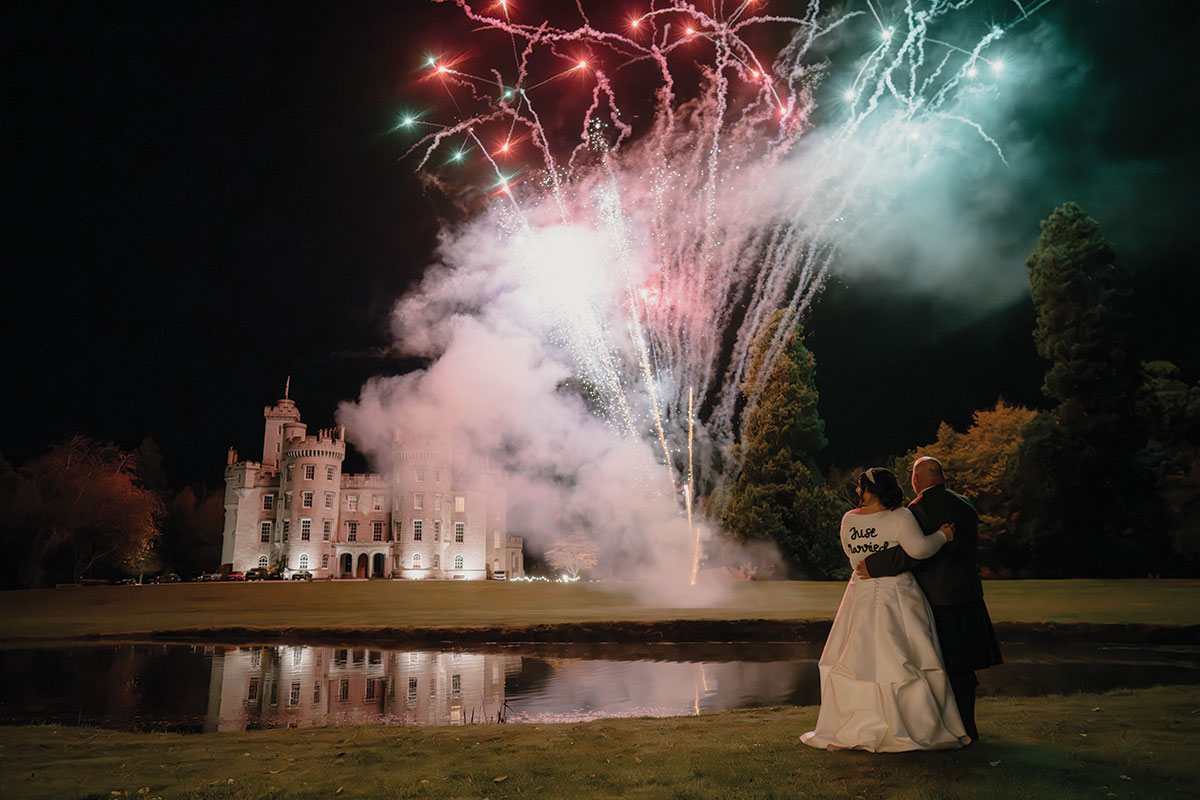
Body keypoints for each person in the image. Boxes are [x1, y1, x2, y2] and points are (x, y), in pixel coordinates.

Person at [802, 468, 970, 752]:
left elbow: (850, 552)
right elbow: (919, 549)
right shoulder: (900, 516)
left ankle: (859, 721)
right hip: (898, 596)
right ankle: (909, 723)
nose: (858, 492)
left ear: (868, 490)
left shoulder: (848, 520)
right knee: (905, 656)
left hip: (860, 595)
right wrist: (943, 536)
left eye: (860, 487)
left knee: (858, 657)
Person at [854, 456, 1002, 741]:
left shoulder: (917, 509)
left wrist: (872, 565)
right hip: (970, 597)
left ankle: (945, 728)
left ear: (918, 480)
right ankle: (968, 727)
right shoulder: (966, 505)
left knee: (937, 669)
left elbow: (912, 552)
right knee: (964, 668)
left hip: (937, 600)